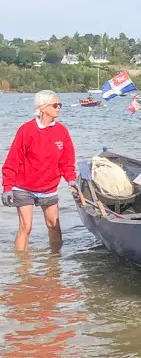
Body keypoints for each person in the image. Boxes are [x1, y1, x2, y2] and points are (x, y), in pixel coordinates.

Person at [2, 90, 77, 253]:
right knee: (26, 226)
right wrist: (7, 187)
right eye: (55, 105)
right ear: (42, 107)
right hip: (23, 187)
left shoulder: (62, 131)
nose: (59, 108)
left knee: (54, 226)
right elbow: (13, 160)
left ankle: (55, 261)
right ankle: (22, 264)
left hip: (49, 188)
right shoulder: (26, 130)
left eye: (60, 105)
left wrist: (71, 179)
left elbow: (67, 161)